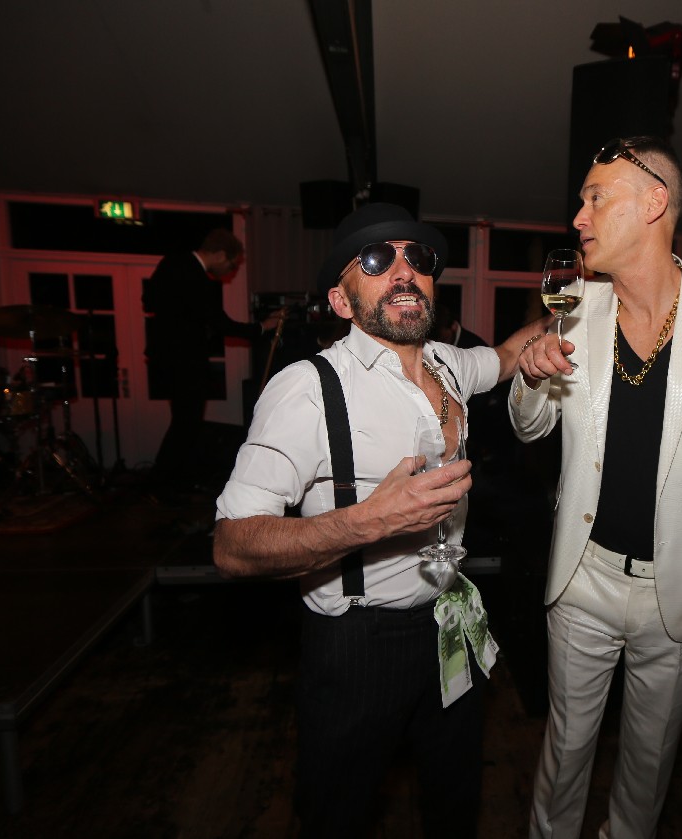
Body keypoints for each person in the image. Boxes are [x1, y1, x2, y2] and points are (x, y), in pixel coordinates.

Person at [211, 203, 546, 839]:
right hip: (358, 646)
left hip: (450, 620)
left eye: (417, 258)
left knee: (455, 805)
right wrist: (368, 521)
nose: (402, 271)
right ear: (341, 300)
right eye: (374, 259)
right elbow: (232, 546)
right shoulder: (308, 389)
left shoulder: (450, 363)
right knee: (338, 817)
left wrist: (579, 304)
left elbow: (509, 354)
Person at [510, 136, 682, 839]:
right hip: (583, 579)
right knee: (564, 751)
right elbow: (529, 427)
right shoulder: (576, 308)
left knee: (649, 760)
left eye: (595, 197)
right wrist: (531, 375)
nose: (578, 216)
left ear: (653, 203)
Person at [142, 228, 279, 501]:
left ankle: (174, 481)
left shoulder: (171, 263)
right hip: (184, 362)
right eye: (232, 264)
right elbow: (220, 324)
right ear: (219, 254)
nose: (231, 271)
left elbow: (148, 301)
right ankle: (164, 484)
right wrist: (262, 327)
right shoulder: (197, 278)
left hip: (168, 360)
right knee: (186, 424)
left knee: (184, 423)